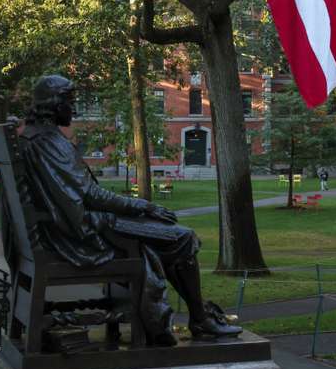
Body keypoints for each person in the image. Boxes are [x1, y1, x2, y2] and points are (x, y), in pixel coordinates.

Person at [13, 75, 241, 347]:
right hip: (78, 234)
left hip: (60, 229)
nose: (74, 110)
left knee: (162, 237)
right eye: (70, 102)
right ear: (54, 104)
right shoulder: (49, 142)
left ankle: (195, 316)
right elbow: (91, 194)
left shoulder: (32, 136)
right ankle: (199, 319)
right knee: (182, 237)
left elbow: (79, 193)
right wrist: (144, 205)